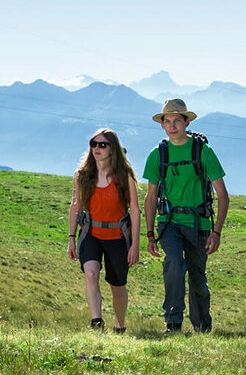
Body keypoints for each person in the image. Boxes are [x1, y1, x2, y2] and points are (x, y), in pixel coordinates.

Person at [143, 99, 229, 334]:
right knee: (173, 263)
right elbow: (150, 198)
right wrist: (150, 234)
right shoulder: (157, 154)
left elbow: (222, 195)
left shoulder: (203, 151)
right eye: (167, 121)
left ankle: (202, 326)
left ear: (187, 122)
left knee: (197, 278)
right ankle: (173, 322)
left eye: (177, 121)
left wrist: (216, 232)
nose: (172, 126)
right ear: (162, 125)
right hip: (169, 223)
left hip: (199, 223)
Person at [67, 128, 141, 333]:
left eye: (102, 144)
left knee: (117, 285)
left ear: (112, 149)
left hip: (117, 237)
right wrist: (71, 238)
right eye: (93, 144)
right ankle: (96, 322)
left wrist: (135, 245)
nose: (96, 148)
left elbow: (135, 210)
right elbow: (75, 205)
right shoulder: (81, 175)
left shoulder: (124, 177)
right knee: (90, 273)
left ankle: (120, 325)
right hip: (90, 233)